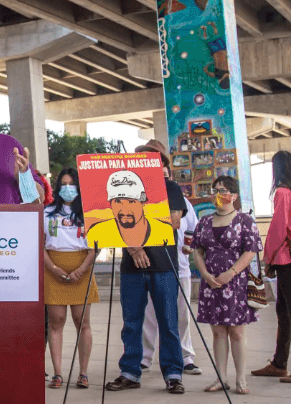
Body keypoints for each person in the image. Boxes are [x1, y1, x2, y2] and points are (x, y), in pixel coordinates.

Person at [105, 139, 186, 394]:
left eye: (152, 157)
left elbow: (172, 221)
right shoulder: (123, 186)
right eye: (141, 157)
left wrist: (137, 238)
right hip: (131, 267)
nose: (146, 161)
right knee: (131, 322)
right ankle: (129, 371)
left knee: (168, 322)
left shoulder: (171, 187)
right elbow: (110, 219)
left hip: (163, 265)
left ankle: (173, 373)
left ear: (161, 163)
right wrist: (134, 247)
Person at [192, 175, 263, 395]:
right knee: (217, 333)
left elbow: (251, 251)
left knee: (237, 332)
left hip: (236, 283)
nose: (217, 194)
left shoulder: (245, 221)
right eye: (215, 190)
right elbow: (197, 249)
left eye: (222, 190)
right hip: (211, 284)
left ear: (234, 196)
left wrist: (230, 273)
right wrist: (204, 273)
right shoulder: (204, 221)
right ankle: (220, 378)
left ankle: (241, 379)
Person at [138, 144, 201, 377]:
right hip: (148, 266)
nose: (160, 173)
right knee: (150, 315)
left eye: (163, 168)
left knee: (181, 316)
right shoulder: (139, 199)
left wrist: (188, 245)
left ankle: (186, 358)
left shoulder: (183, 201)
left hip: (179, 268)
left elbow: (192, 229)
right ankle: (145, 357)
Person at [253, 150, 291, 383]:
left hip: (285, 258)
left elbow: (278, 229)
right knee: (284, 309)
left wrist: (267, 257)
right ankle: (280, 362)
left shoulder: (282, 192)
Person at [43, 168, 98, 390]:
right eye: (63, 184)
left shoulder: (89, 213)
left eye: (72, 184)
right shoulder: (47, 213)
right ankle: (57, 373)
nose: (67, 188)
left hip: (81, 269)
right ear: (57, 188)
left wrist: (82, 270)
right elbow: (40, 245)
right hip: (53, 270)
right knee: (56, 321)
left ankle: (83, 373)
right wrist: (54, 268)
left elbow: (96, 247)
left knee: (82, 321)